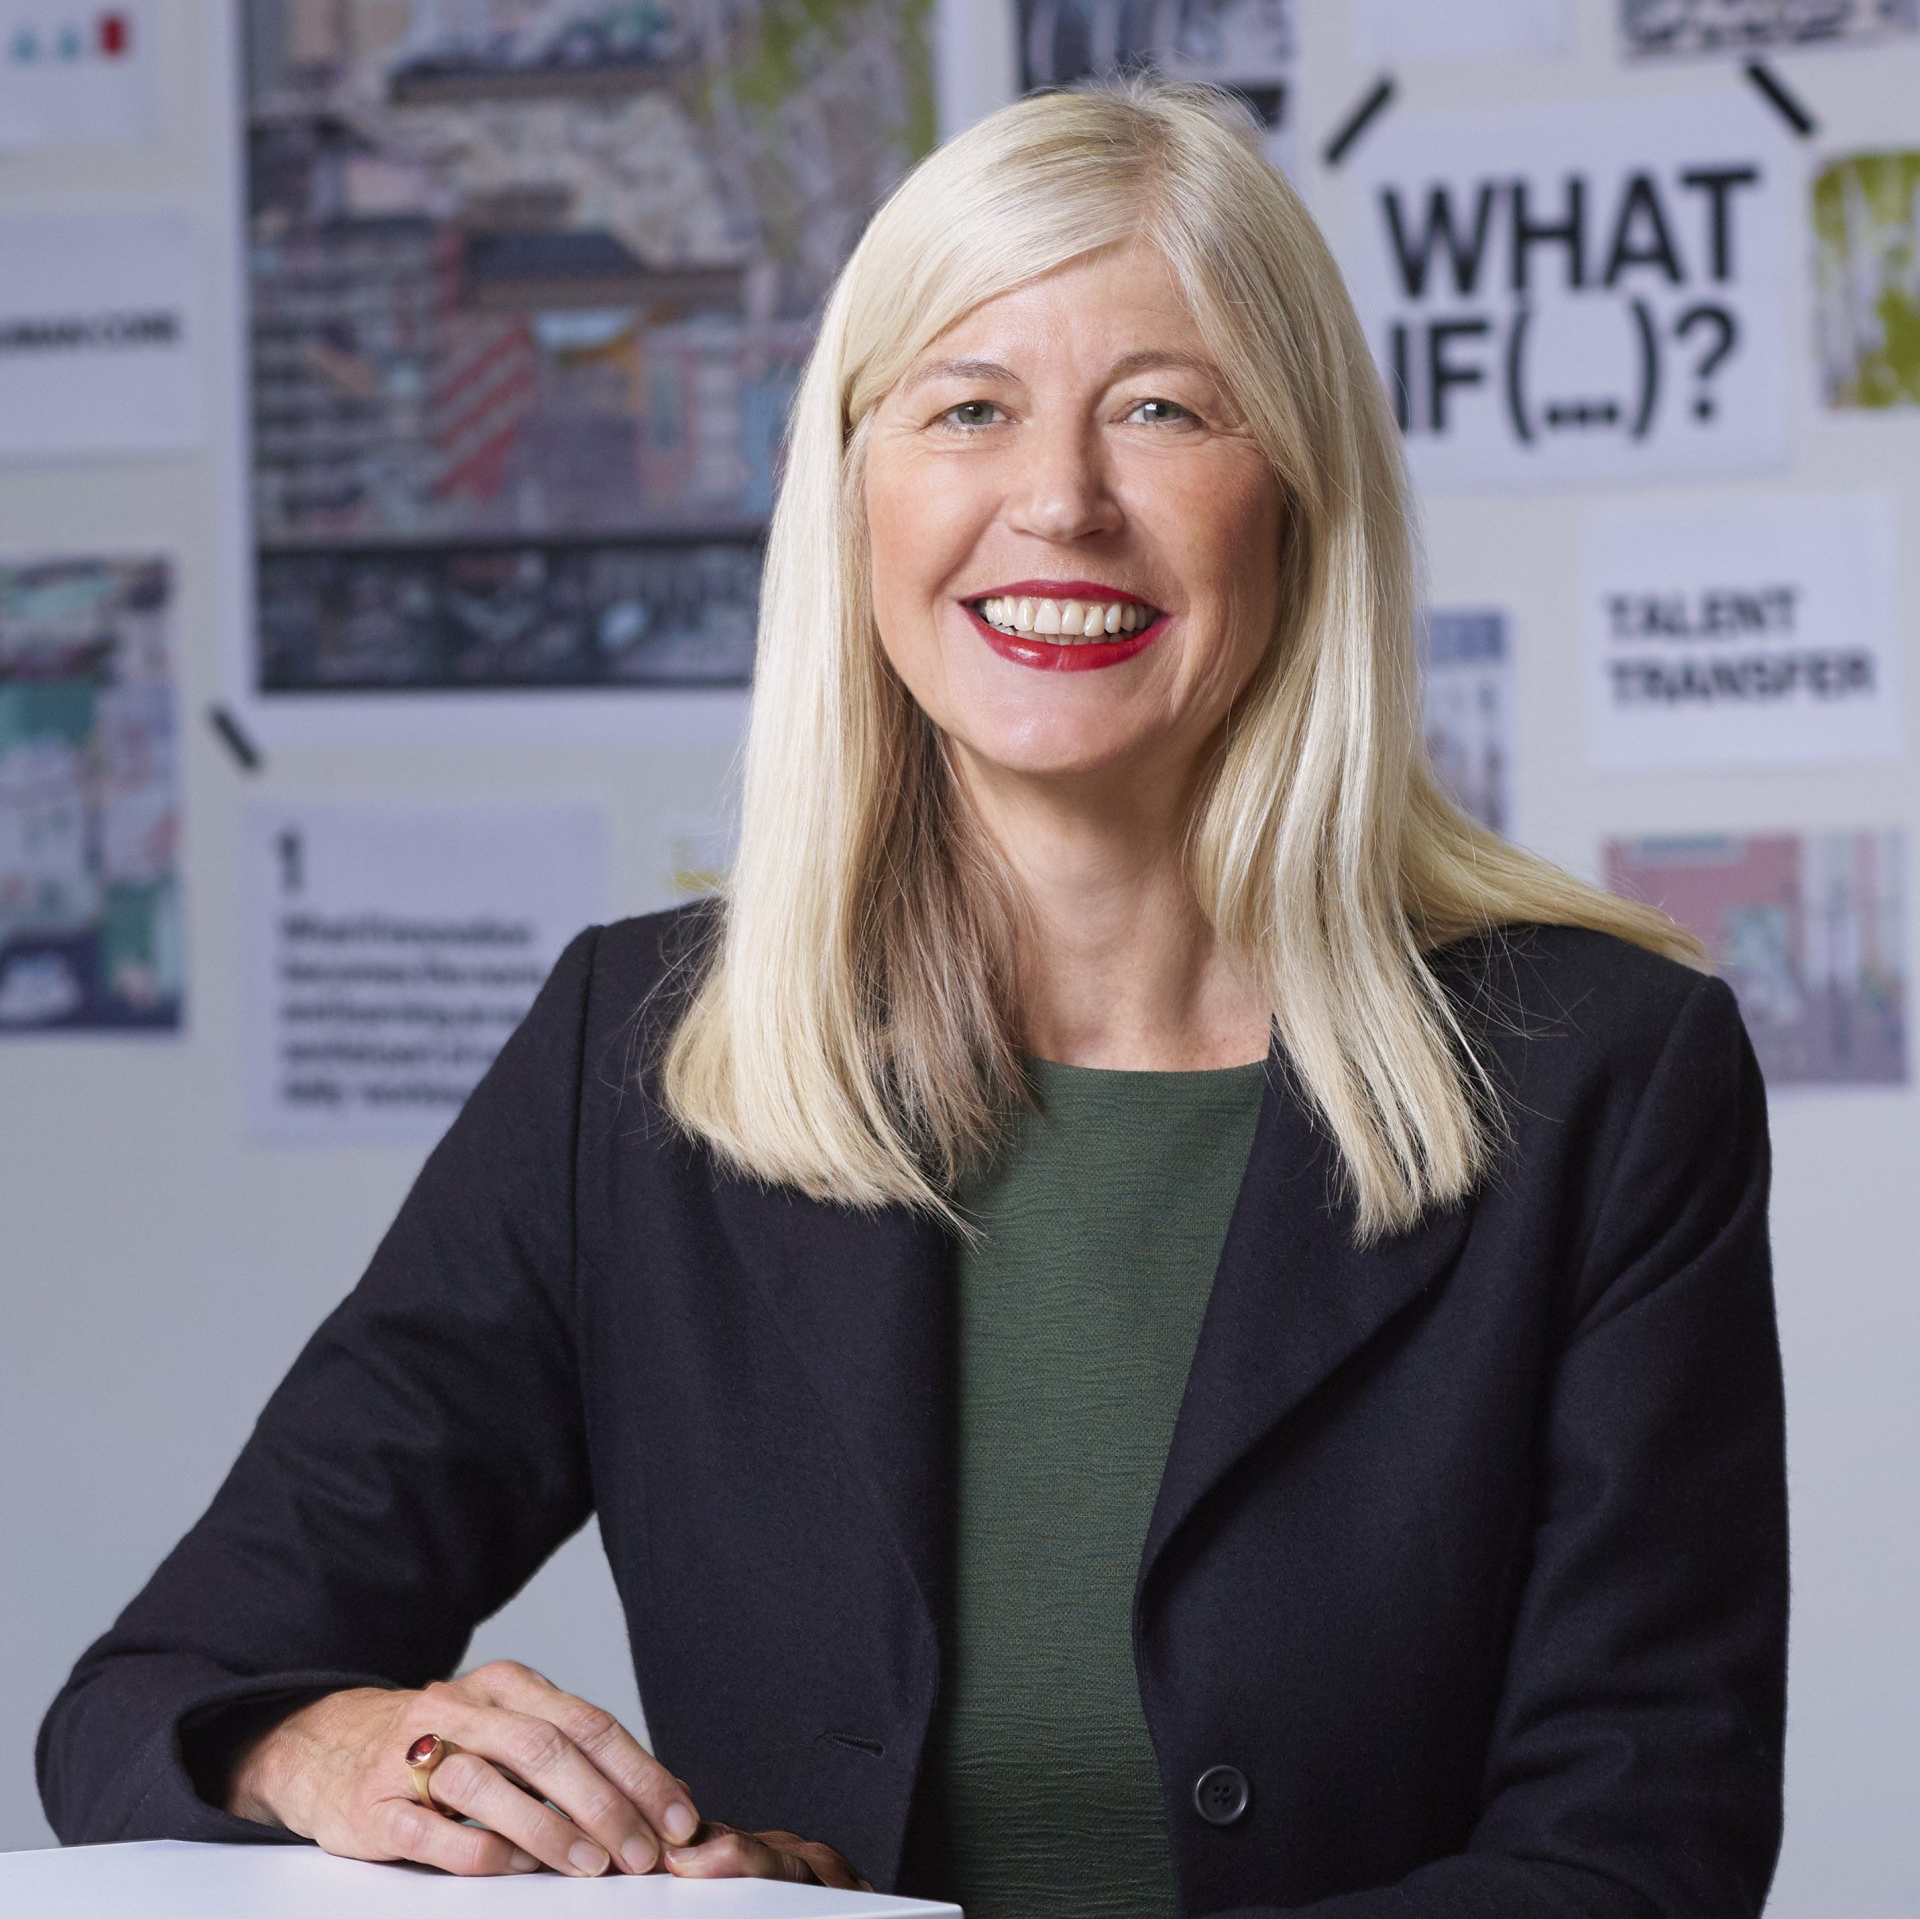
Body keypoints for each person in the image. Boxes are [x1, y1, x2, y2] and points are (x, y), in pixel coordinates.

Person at [36, 77, 1787, 1917]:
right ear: (856, 489)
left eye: (1162, 409)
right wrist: (339, 1749)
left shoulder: (1605, 1076)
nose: (1060, 501)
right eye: (968, 407)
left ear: (1299, 494)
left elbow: (1635, 1857)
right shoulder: (634, 1057)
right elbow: (151, 1699)